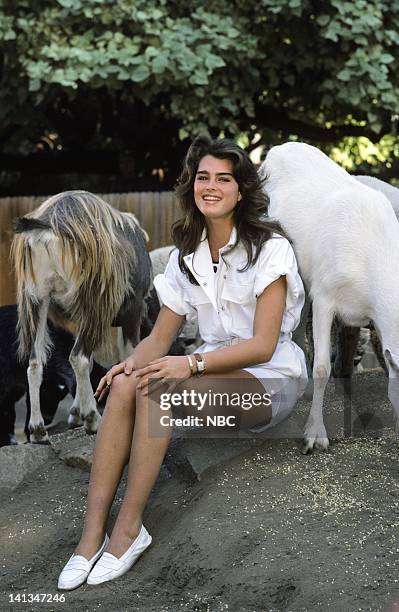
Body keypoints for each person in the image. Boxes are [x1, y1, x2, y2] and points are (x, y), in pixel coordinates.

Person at [57, 135, 307, 590]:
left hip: (269, 382)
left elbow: (264, 346)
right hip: (212, 373)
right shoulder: (184, 256)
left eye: (223, 179)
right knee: (130, 382)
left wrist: (188, 366)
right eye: (203, 177)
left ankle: (130, 530)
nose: (210, 186)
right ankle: (91, 536)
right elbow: (160, 336)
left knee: (160, 392)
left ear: (241, 190)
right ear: (192, 184)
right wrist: (130, 364)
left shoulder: (271, 249)